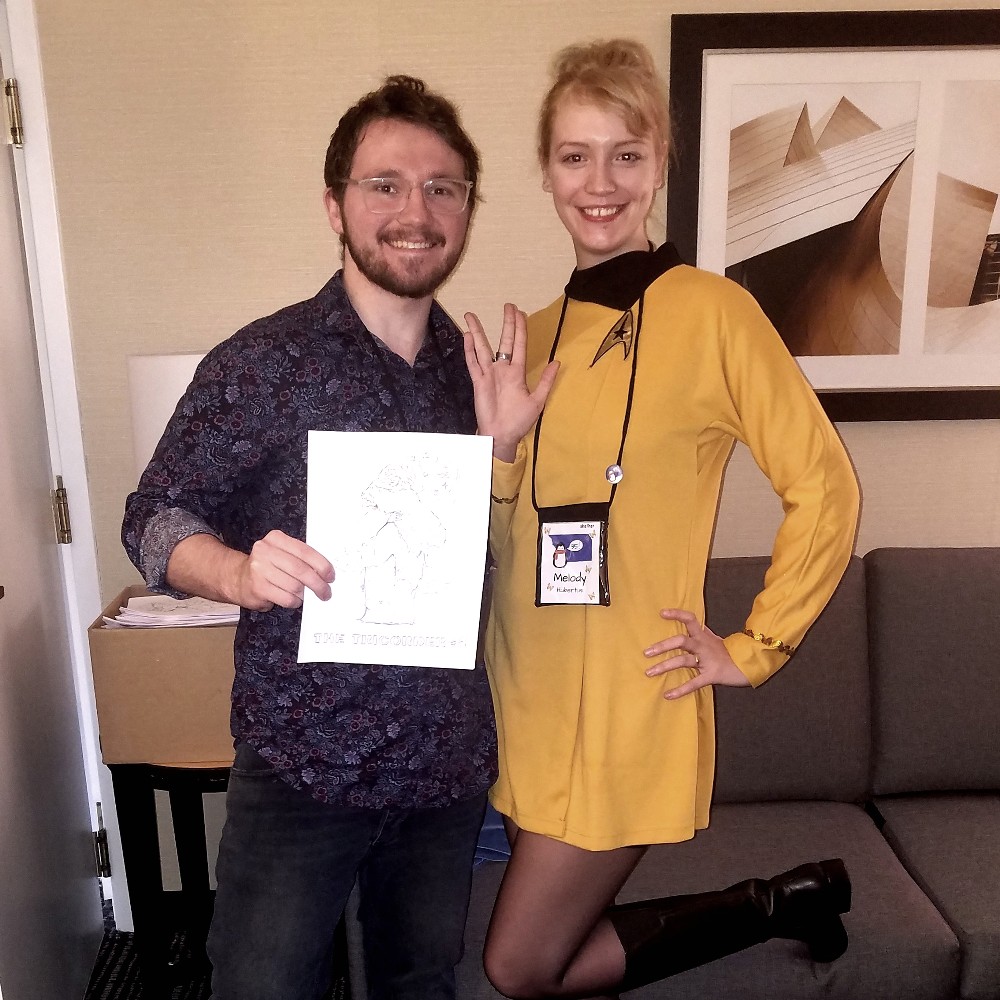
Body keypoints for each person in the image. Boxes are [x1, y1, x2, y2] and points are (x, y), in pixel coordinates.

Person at [462, 39, 861, 998]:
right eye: (573, 155)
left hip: (630, 702)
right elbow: (506, 536)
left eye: (625, 155)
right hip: (527, 694)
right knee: (558, 940)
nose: (599, 182)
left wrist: (753, 645)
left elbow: (825, 483)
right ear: (546, 171)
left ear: (659, 167)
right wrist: (498, 455)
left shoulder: (715, 315)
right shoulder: (540, 334)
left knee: (518, 966)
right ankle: (791, 900)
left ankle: (767, 904)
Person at [122, 75, 512, 1000]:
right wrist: (236, 571)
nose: (416, 211)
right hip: (304, 761)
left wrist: (508, 460)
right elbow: (152, 515)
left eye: (443, 187)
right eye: (385, 184)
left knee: (420, 984)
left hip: (442, 763)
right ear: (334, 205)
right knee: (261, 987)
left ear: (465, 209)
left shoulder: (483, 377)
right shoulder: (262, 364)